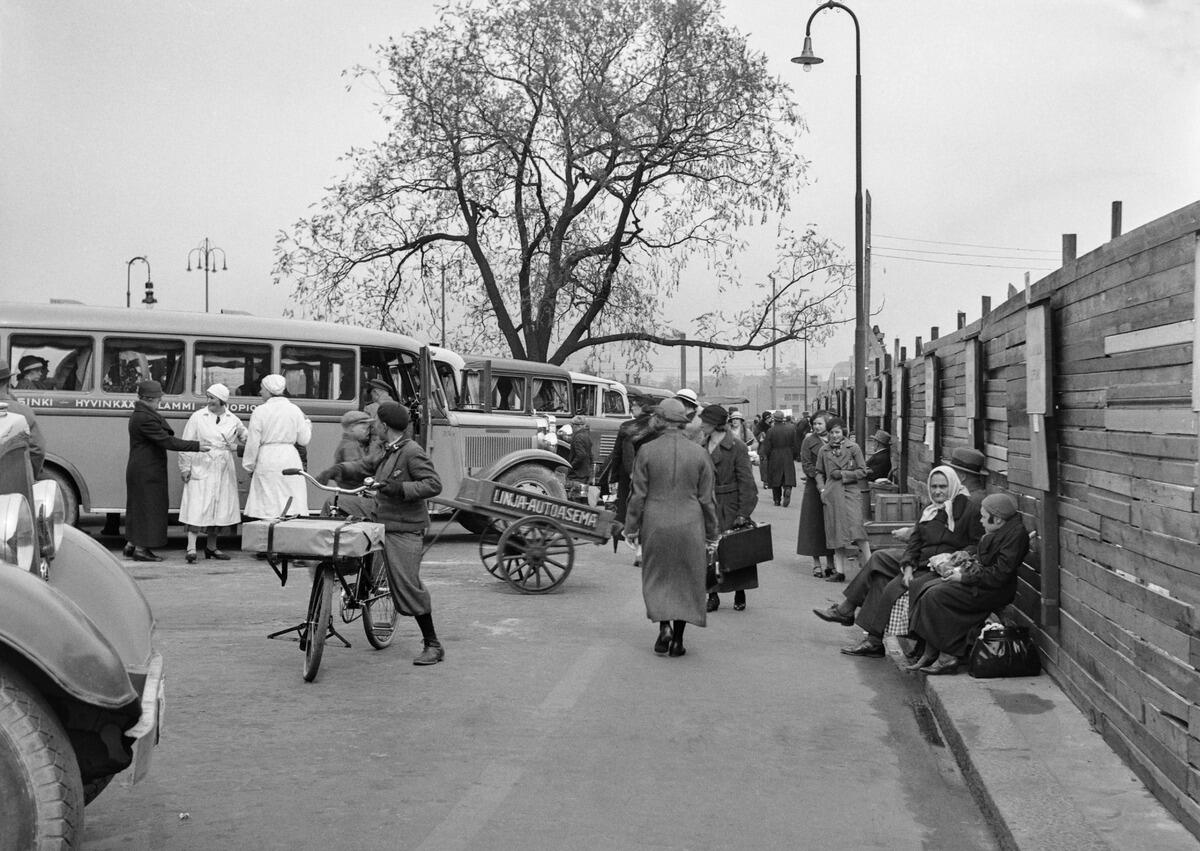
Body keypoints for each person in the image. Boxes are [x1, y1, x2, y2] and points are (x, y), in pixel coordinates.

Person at [318, 402, 446, 665]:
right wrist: (338, 470)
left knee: (407, 585)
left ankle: (433, 644)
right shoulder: (388, 449)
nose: (373, 426)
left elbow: (433, 484)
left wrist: (399, 488)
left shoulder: (412, 452)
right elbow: (365, 467)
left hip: (403, 526)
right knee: (334, 504)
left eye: (376, 421)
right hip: (379, 513)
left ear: (385, 426)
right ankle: (349, 568)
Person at [822, 464, 984, 658]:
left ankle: (859, 623)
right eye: (934, 487)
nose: (938, 491)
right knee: (880, 569)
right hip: (920, 561)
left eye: (943, 486)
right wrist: (907, 568)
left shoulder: (969, 509)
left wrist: (959, 555)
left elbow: (976, 544)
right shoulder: (930, 510)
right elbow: (915, 543)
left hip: (942, 567)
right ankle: (870, 637)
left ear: (953, 485)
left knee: (884, 574)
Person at [624, 397, 719, 658]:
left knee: (658, 576)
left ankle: (663, 627)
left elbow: (638, 495)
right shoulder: (699, 453)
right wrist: (713, 533)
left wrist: (631, 527)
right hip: (690, 524)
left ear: (660, 420)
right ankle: (678, 639)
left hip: (656, 523)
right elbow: (707, 499)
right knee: (687, 580)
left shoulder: (646, 451)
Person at [906, 492, 1030, 675]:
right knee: (925, 588)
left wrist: (963, 578)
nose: (980, 521)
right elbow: (985, 559)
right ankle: (930, 651)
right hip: (983, 581)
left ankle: (948, 656)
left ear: (997, 520)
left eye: (983, 517)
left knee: (936, 596)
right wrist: (965, 558)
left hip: (994, 590)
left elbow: (999, 575)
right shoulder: (1001, 530)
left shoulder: (1015, 537)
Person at [123, 380, 206, 562]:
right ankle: (141, 549)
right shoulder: (144, 418)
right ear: (149, 398)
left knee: (139, 507)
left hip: (143, 469)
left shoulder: (141, 414)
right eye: (158, 398)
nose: (160, 401)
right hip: (147, 471)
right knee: (149, 509)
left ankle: (131, 544)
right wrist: (197, 446)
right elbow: (167, 441)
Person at [699, 404, 758, 613]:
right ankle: (712, 594)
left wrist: (744, 512)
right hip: (707, 503)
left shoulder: (738, 447)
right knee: (708, 552)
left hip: (730, 503)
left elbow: (747, 483)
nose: (700, 425)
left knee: (736, 549)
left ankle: (739, 590)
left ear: (715, 424)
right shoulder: (700, 445)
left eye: (704, 422)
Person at [178, 384, 246, 563]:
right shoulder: (198, 417)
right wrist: (185, 467)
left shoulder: (233, 419)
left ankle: (211, 547)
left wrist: (243, 444)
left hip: (223, 465)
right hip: (202, 463)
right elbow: (187, 441)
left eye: (213, 398)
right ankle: (191, 548)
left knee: (220, 507)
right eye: (208, 397)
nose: (209, 402)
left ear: (222, 401)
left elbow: (246, 437)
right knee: (197, 505)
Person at [243, 374, 313, 520]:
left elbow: (253, 442)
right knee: (290, 499)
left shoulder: (260, 411)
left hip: (267, 458)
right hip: (290, 458)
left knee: (268, 502)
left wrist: (249, 465)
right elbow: (304, 440)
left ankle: (268, 534)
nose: (260, 392)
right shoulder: (294, 410)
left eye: (262, 389)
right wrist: (307, 423)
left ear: (268, 391)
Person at [814, 418, 872, 583]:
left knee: (857, 529)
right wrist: (822, 489)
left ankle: (871, 567)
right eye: (831, 432)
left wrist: (845, 474)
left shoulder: (853, 448)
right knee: (836, 531)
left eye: (837, 432)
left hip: (850, 491)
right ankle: (839, 572)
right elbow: (818, 471)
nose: (834, 436)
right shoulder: (824, 450)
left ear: (843, 432)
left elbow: (862, 471)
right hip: (832, 494)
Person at [796, 410, 835, 578]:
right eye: (815, 424)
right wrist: (820, 475)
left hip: (833, 486)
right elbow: (806, 464)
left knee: (831, 524)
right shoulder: (808, 441)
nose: (817, 427)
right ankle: (816, 562)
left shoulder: (835, 439)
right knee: (814, 525)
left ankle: (831, 562)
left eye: (820, 423)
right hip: (814, 488)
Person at [0, 359, 46, 475]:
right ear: (8, 381)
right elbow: (37, 450)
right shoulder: (24, 411)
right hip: (13, 480)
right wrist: (30, 476)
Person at [760, 410, 799, 506]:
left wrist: (768, 456)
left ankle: (777, 500)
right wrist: (793, 455)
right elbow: (795, 444)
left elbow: (767, 446)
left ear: (774, 419)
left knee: (775, 479)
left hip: (775, 455)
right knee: (787, 475)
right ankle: (788, 487)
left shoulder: (770, 431)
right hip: (788, 454)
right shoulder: (791, 429)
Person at [331, 410, 374, 488]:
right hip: (352, 491)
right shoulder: (350, 446)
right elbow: (357, 471)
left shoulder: (353, 444)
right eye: (364, 428)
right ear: (351, 428)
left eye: (368, 429)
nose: (367, 432)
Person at [565, 414, 593, 503]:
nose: (572, 428)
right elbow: (590, 455)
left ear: (578, 426)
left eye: (572, 426)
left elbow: (581, 455)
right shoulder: (586, 435)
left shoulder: (578, 437)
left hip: (577, 475)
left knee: (575, 501)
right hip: (585, 473)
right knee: (583, 499)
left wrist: (571, 466)